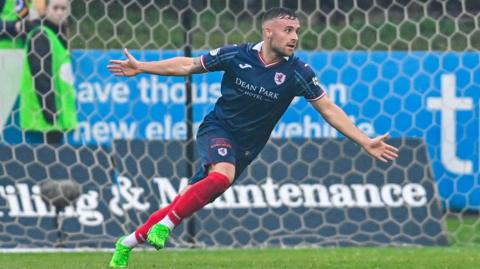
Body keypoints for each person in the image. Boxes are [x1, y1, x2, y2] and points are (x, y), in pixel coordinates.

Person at [107, 7, 399, 267]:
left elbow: (328, 108)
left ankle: (127, 243)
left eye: (297, 31)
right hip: (218, 130)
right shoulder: (237, 55)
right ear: (268, 31)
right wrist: (142, 66)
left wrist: (364, 140)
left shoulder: (298, 72)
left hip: (247, 149)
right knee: (220, 178)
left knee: (188, 199)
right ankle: (168, 225)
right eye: (288, 30)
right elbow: (189, 65)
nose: (294, 36)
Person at [19, 0, 77, 144]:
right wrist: (50, 112)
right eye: (55, 8)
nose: (59, 13)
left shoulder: (58, 36)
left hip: (56, 120)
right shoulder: (40, 35)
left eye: (63, 8)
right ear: (45, 9)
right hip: (43, 120)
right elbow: (40, 74)